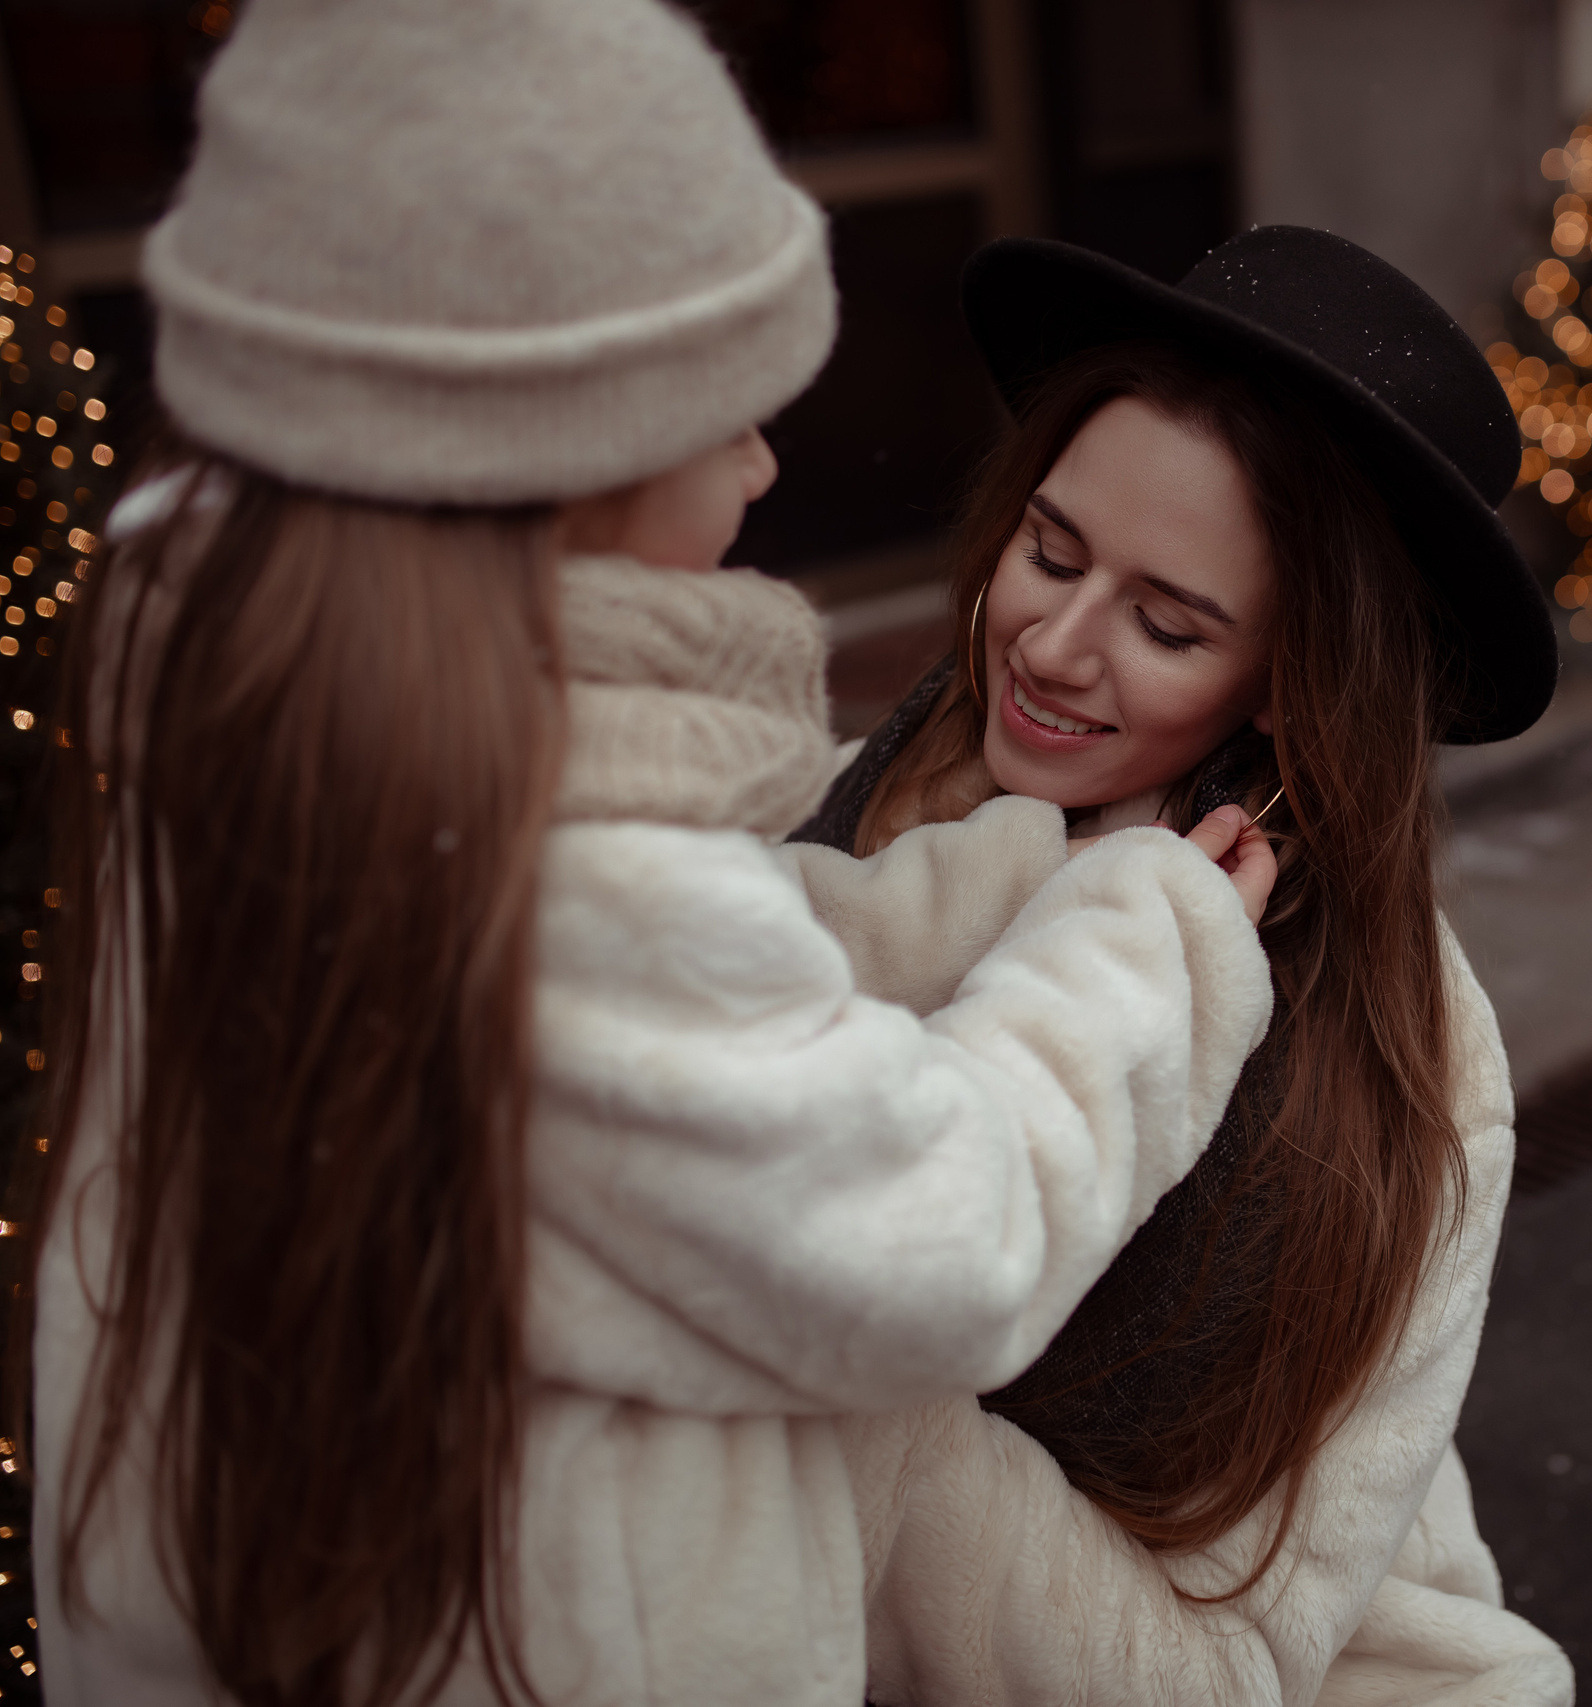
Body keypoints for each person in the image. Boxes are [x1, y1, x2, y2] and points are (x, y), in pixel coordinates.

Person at [18, 4, 1278, 1705]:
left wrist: (945, 896)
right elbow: (938, 1240)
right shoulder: (559, 877)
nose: (763, 462)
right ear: (556, 465)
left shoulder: (248, 722)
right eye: (724, 415)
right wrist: (1147, 935)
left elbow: (647, 1112)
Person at [789, 228, 1576, 1705]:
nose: (1053, 646)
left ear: (1290, 681)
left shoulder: (1401, 1078)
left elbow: (1222, 1669)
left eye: (1165, 624)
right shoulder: (845, 806)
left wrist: (805, 1401)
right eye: (1050, 551)